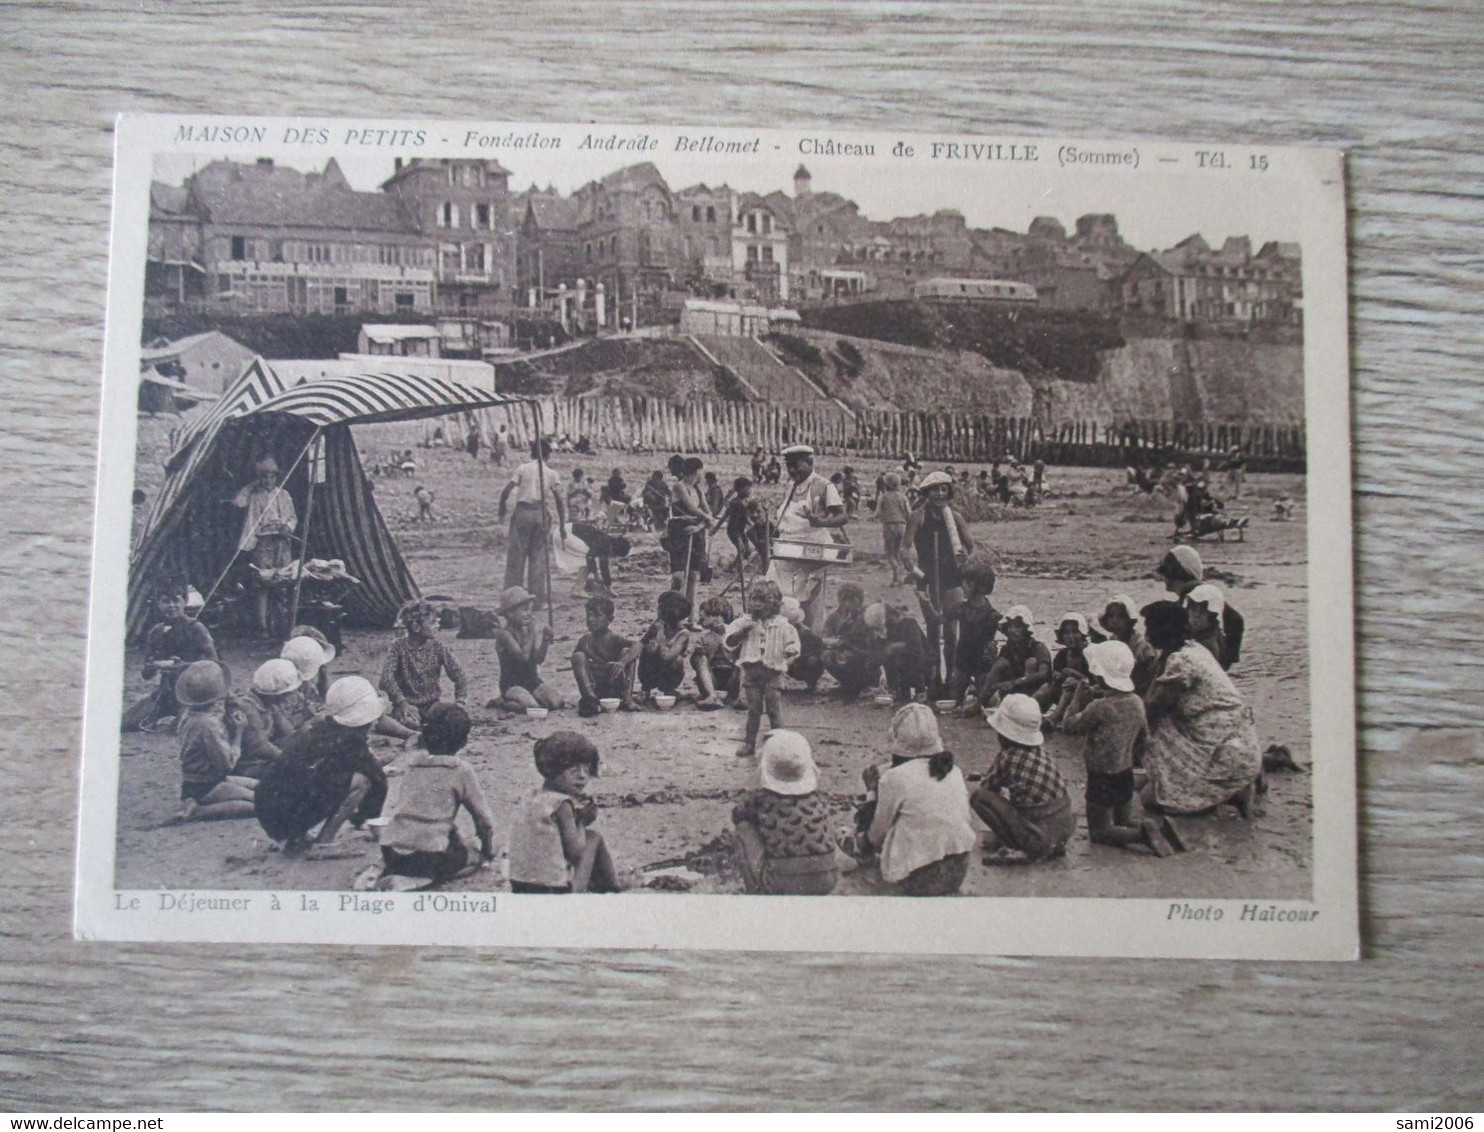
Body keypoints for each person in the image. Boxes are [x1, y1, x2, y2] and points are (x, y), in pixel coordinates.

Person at [1138, 600, 1262, 818]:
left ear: (1165, 629)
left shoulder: (1181, 660)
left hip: (1224, 749)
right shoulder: (1193, 649)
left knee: (1151, 796)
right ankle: (1232, 789)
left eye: (1150, 627)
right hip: (1235, 742)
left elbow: (1152, 708)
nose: (1147, 633)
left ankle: (1228, 794)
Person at [253, 675, 389, 858]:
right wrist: (372, 824)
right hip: (284, 811)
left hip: (267, 807)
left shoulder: (321, 729)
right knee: (361, 782)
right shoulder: (352, 741)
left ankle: (297, 837)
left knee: (321, 781)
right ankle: (324, 844)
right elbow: (378, 780)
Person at [1061, 641, 1173, 856]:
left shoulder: (1099, 707)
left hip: (1101, 776)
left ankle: (1141, 835)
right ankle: (1152, 828)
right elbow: (1145, 739)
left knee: (1100, 831)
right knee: (1123, 818)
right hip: (1125, 772)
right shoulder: (1136, 702)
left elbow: (1069, 726)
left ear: (1100, 676)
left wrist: (1075, 700)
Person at [376, 704, 496, 888]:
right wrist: (487, 850)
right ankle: (424, 879)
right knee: (473, 857)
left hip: (391, 850)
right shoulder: (460, 770)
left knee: (445, 835)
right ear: (463, 742)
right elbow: (484, 821)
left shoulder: (412, 763)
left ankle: (401, 873)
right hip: (428, 855)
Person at [867, 704, 978, 895]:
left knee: (874, 835)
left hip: (920, 877)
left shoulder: (894, 778)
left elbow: (877, 834)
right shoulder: (953, 771)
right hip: (958, 870)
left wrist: (871, 793)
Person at [507, 731, 622, 893]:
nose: (582, 776)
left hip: (519, 886)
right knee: (593, 837)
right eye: (574, 770)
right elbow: (576, 853)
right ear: (553, 769)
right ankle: (613, 886)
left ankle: (600, 885)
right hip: (554, 891)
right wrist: (582, 821)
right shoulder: (562, 805)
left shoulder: (530, 797)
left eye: (587, 769)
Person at [731, 730, 839, 895]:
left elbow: (737, 815)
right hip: (827, 879)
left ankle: (757, 891)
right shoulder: (818, 798)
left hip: (781, 883)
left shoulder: (761, 800)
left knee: (743, 830)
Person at [970, 694, 1076, 862]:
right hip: (1064, 828)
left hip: (1039, 837)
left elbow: (988, 788)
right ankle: (1047, 844)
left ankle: (1017, 845)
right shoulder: (1041, 752)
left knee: (978, 797)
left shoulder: (1008, 756)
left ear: (1003, 734)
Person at [903, 470, 975, 694]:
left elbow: (971, 546)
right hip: (926, 577)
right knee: (933, 628)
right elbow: (904, 548)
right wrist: (912, 569)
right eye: (935, 489)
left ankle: (952, 677)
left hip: (952, 576)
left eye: (944, 489)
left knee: (952, 631)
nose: (940, 493)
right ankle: (934, 678)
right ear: (927, 492)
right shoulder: (918, 516)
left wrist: (966, 559)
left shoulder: (955, 517)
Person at [772, 445, 849, 631]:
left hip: (811, 549)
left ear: (809, 462)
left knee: (808, 598)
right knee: (782, 596)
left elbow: (842, 516)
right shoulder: (791, 486)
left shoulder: (823, 486)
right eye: (788, 466)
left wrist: (819, 522)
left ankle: (810, 640)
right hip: (787, 548)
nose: (792, 471)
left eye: (796, 466)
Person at [723, 579, 800, 759]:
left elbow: (793, 641)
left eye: (762, 600)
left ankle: (779, 744)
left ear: (774, 604)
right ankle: (749, 743)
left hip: (773, 672)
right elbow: (729, 642)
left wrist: (792, 650)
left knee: (774, 709)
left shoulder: (782, 624)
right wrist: (742, 632)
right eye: (753, 599)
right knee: (754, 710)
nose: (756, 604)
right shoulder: (744, 622)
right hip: (752, 671)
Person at [172, 660, 257, 822]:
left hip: (195, 781)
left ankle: (192, 802)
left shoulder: (189, 715)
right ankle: (198, 810)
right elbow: (227, 764)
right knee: (257, 804)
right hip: (208, 786)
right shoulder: (208, 726)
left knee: (259, 788)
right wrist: (239, 732)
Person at [123, 589, 218, 731]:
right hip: (166, 692)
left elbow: (214, 663)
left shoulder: (196, 628)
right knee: (126, 723)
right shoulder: (156, 632)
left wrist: (184, 666)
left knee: (183, 727)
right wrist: (150, 667)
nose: (171, 606)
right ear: (158, 604)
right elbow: (147, 676)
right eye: (166, 601)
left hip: (193, 692)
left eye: (176, 601)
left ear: (184, 602)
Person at [232, 454, 298, 636]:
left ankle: (283, 626)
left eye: (272, 476)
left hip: (282, 542)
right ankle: (262, 627)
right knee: (263, 583)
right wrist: (253, 484)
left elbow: (293, 517)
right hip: (264, 543)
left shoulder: (284, 495)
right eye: (264, 476)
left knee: (283, 581)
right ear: (258, 477)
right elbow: (239, 504)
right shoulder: (255, 496)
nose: (269, 480)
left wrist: (288, 527)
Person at [497, 439, 567, 609]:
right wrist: (563, 524)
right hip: (541, 514)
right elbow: (559, 500)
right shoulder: (551, 473)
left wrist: (502, 507)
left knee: (516, 557)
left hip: (523, 512)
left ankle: (513, 599)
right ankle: (536, 601)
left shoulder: (523, 468)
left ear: (532, 453)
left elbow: (506, 490)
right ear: (548, 454)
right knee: (538, 558)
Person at [379, 600, 468, 729]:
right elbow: (386, 679)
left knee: (455, 719)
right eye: (432, 622)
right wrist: (403, 703)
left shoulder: (439, 647)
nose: (437, 625)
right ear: (416, 626)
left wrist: (460, 703)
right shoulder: (398, 646)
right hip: (407, 705)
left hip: (433, 705)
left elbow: (459, 674)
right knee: (411, 724)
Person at [1155, 546, 1245, 668]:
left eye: (1165, 573)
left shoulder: (1197, 596)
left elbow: (1236, 620)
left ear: (1175, 572)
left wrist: (1224, 660)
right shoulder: (1197, 593)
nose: (1163, 578)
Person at [492, 586, 564, 712]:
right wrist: (531, 632)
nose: (528, 614)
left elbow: (538, 659)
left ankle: (532, 697)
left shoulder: (529, 631)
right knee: (531, 707)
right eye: (524, 610)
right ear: (510, 613)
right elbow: (522, 657)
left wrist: (545, 640)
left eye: (530, 610)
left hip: (532, 681)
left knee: (557, 702)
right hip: (512, 684)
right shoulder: (504, 634)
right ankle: (502, 702)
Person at [231, 658, 305, 780]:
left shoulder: (269, 705)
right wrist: (288, 760)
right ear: (276, 694)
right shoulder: (247, 708)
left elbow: (288, 731)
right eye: (288, 693)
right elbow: (259, 746)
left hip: (263, 756)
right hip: (248, 765)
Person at [571, 595, 640, 717]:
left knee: (627, 652)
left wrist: (622, 662)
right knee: (578, 656)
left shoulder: (613, 638)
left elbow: (638, 645)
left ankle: (627, 699)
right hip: (595, 688)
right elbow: (579, 667)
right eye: (589, 615)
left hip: (614, 686)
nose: (591, 619)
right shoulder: (585, 641)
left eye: (597, 616)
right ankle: (590, 699)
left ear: (610, 619)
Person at [975, 605, 1053, 708]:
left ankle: (1025, 707)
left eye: (1017, 627)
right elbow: (999, 671)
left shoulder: (1038, 648)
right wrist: (993, 657)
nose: (1012, 630)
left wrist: (1015, 682)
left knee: (1031, 662)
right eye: (1010, 626)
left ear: (1026, 629)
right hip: (1013, 692)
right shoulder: (1008, 649)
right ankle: (980, 703)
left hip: (1034, 694)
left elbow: (1044, 673)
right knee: (1000, 664)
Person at [951, 556, 1000, 709]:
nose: (962, 588)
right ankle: (969, 692)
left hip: (983, 663)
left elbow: (1012, 633)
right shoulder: (961, 608)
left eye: (964, 584)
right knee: (955, 700)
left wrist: (995, 651)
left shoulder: (993, 616)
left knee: (986, 702)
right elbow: (938, 620)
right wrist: (925, 602)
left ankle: (973, 691)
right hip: (963, 660)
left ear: (973, 585)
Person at [820, 583, 878, 700]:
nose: (847, 603)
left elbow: (873, 642)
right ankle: (846, 683)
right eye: (844, 599)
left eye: (852, 599)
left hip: (862, 653)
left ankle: (868, 684)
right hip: (840, 651)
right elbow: (826, 635)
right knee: (826, 656)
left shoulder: (868, 615)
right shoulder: (835, 616)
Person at [668, 456, 712, 606]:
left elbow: (708, 512)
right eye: (701, 471)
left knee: (693, 576)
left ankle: (691, 617)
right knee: (678, 577)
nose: (702, 475)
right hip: (680, 532)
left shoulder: (698, 489)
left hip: (696, 532)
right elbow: (692, 508)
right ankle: (671, 611)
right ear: (696, 471)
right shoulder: (679, 486)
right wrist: (706, 518)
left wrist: (699, 526)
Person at [1097, 595, 1161, 696]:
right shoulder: (1112, 641)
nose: (1115, 620)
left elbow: (1153, 676)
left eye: (1121, 616)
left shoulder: (1143, 646)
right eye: (1111, 616)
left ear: (1130, 620)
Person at [1038, 612, 1093, 723]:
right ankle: (1029, 712)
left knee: (1070, 682)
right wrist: (1056, 676)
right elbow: (1055, 676)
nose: (1070, 637)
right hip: (1066, 697)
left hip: (1086, 697)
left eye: (1075, 632)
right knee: (1046, 688)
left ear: (1082, 634)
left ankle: (1053, 719)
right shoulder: (1062, 655)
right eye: (1066, 633)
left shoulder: (1089, 654)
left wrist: (1073, 674)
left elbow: (1094, 682)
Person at [638, 590, 693, 702]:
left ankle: (669, 689)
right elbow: (641, 644)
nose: (658, 610)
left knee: (677, 660)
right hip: (652, 670)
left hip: (668, 673)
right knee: (648, 648)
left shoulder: (683, 634)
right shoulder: (657, 626)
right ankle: (646, 688)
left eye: (661, 608)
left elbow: (668, 656)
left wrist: (660, 640)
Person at [690, 596, 738, 710]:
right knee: (700, 658)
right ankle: (712, 696)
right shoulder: (704, 638)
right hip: (712, 681)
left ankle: (740, 696)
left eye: (705, 613)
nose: (700, 616)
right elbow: (695, 664)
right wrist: (699, 654)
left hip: (733, 680)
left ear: (718, 615)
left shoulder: (734, 633)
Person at [717, 477, 768, 573]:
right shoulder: (736, 503)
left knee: (745, 550)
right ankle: (736, 569)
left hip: (740, 531)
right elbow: (726, 516)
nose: (749, 491)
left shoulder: (745, 502)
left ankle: (733, 567)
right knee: (742, 549)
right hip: (733, 530)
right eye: (748, 488)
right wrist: (714, 529)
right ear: (740, 489)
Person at [782, 596, 825, 692]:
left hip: (802, 662)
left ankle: (812, 683)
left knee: (814, 660)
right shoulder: (781, 631)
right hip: (788, 663)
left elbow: (818, 648)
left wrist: (797, 657)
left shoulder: (806, 633)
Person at [875, 471, 911, 585]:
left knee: (889, 553)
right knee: (897, 551)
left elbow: (877, 513)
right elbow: (909, 513)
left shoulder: (884, 497)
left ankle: (896, 572)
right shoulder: (903, 497)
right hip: (902, 525)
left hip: (889, 525)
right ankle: (898, 578)